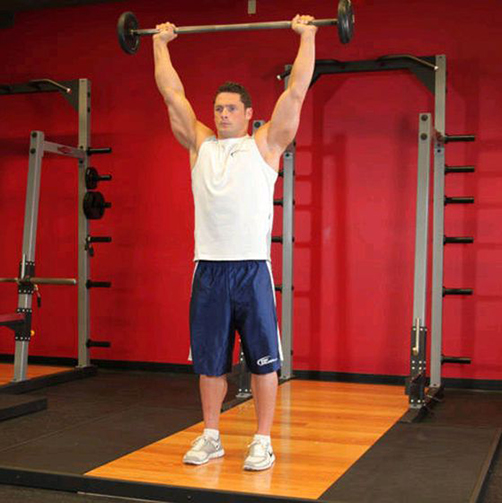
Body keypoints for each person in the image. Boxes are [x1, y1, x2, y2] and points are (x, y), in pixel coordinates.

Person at [153, 14, 317, 471]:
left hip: (251, 270)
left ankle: (262, 441)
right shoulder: (199, 146)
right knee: (210, 362)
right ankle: (211, 436)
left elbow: (296, 91)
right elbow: (172, 93)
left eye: (231, 109)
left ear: (248, 114)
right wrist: (160, 44)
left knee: (264, 362)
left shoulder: (264, 146)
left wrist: (307, 36)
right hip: (208, 269)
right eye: (218, 108)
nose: (222, 114)